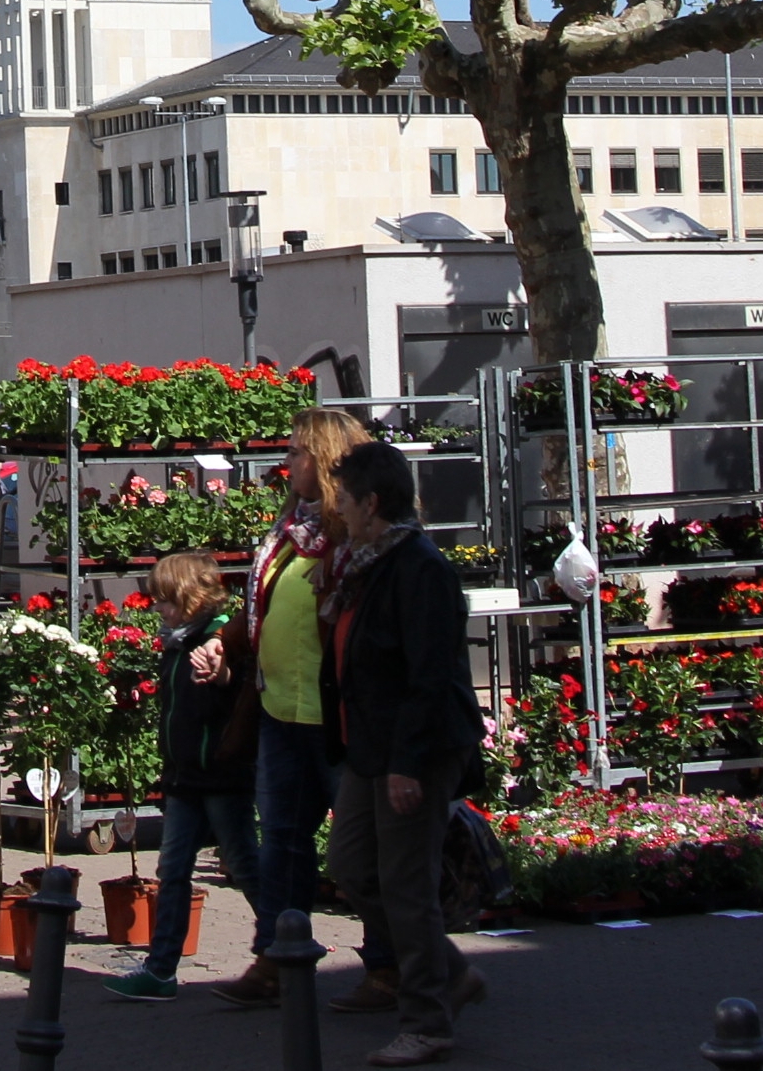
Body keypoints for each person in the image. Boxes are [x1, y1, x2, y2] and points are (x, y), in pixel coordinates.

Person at [202, 406, 394, 1009]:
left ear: (330, 460)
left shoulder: (358, 538)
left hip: (336, 719)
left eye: (298, 453)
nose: (288, 463)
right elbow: (265, 607)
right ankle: (277, 957)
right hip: (280, 712)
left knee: (362, 853)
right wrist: (223, 643)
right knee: (282, 843)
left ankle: (389, 967)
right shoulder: (292, 531)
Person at [320, 440, 488, 1066]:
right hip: (370, 746)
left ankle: (428, 1019)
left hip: (411, 750)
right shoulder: (366, 563)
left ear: (371, 502)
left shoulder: (419, 568)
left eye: (345, 498)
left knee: (404, 883)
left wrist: (407, 764)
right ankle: (448, 972)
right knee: (353, 864)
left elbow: (429, 675)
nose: (337, 507)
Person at [108, 552, 256, 1001]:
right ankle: (161, 969)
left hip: (220, 775)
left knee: (244, 864)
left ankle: (283, 947)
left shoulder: (219, 638)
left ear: (192, 598)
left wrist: (221, 674)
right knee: (171, 870)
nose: (159, 609)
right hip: (184, 777)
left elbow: (233, 683)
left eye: (167, 601)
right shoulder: (176, 643)